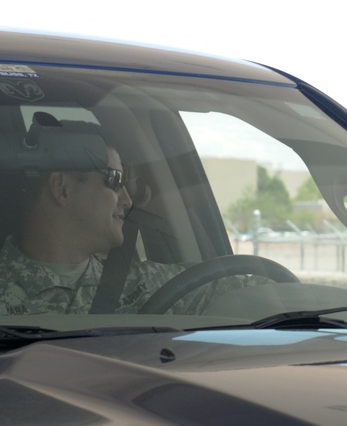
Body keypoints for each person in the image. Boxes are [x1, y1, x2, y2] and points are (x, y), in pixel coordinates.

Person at [0, 127, 234, 315]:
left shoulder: (142, 285)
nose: (128, 200)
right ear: (62, 188)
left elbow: (252, 286)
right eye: (114, 180)